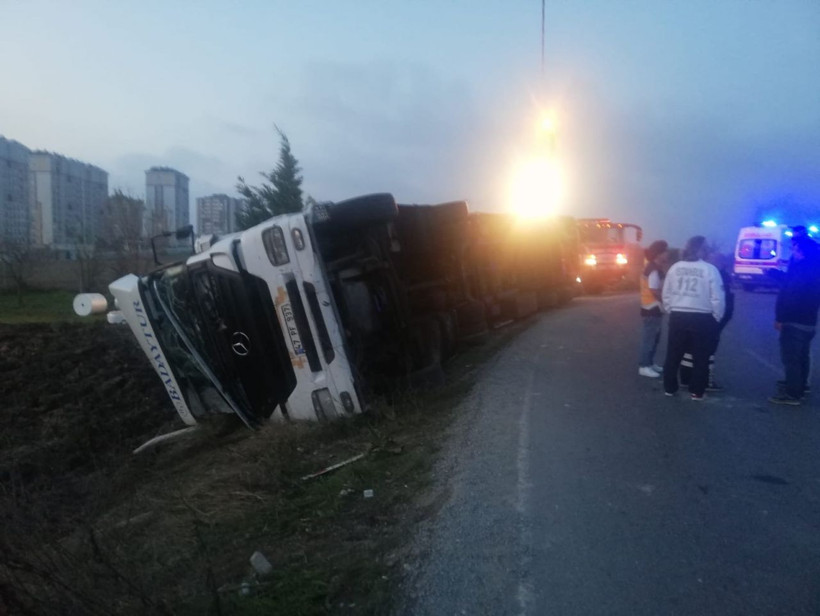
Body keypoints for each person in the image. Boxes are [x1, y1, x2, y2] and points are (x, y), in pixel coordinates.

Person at [661, 236, 725, 400]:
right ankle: (696, 391)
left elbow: (666, 292)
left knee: (673, 354)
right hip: (702, 317)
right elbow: (717, 296)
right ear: (703, 250)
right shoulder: (710, 270)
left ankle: (669, 387)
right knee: (701, 356)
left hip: (678, 315)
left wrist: (671, 309)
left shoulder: (675, 268)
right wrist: (716, 316)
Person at [768, 235, 820, 405]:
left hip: (793, 320)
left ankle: (792, 394)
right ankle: (800, 387)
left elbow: (790, 294)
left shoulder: (800, 269)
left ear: (803, 252)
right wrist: (773, 274)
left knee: (791, 359)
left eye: (795, 249)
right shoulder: (815, 269)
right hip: (809, 320)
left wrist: (780, 318)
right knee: (802, 356)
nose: (793, 252)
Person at [679, 252, 734, 390]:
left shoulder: (700, 273)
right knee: (708, 350)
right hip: (710, 317)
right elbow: (720, 300)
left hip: (692, 314)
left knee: (688, 346)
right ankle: (706, 381)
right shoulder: (718, 275)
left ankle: (685, 378)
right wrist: (719, 318)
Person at [638, 240, 668, 377]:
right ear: (659, 254)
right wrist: (666, 301)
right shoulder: (653, 269)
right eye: (665, 251)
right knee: (650, 339)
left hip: (650, 307)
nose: (667, 254)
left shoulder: (651, 266)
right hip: (652, 307)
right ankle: (644, 366)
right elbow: (654, 289)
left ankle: (649, 363)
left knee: (654, 338)